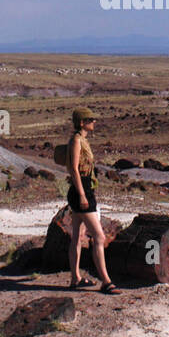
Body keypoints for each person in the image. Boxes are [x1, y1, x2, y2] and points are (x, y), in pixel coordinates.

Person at [66, 107, 120, 294]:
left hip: (83, 189)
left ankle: (75, 278)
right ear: (82, 122)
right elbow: (73, 169)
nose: (94, 122)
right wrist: (81, 194)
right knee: (98, 237)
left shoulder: (82, 140)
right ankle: (106, 281)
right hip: (82, 191)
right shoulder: (76, 141)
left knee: (77, 236)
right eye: (90, 119)